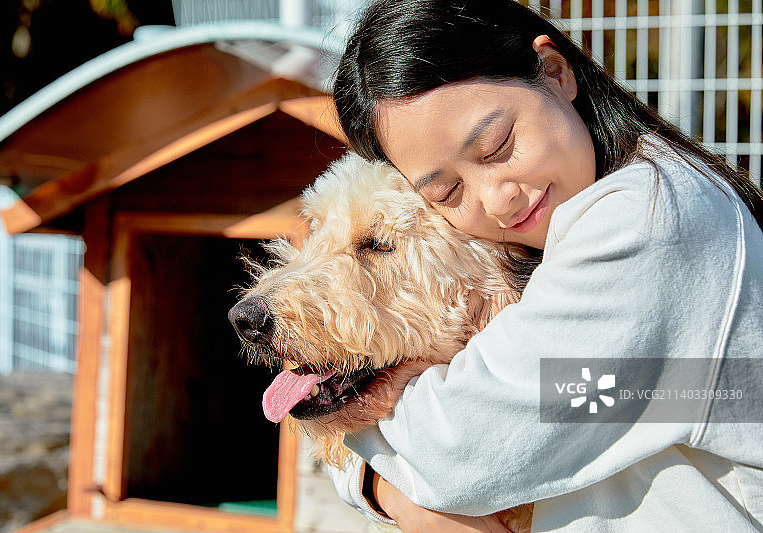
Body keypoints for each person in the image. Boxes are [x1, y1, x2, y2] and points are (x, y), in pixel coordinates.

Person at [326, 0, 763, 531]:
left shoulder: (648, 221)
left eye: (496, 145)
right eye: (447, 190)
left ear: (555, 72)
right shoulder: (559, 233)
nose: (498, 199)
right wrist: (381, 483)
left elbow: (467, 446)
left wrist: (370, 468)